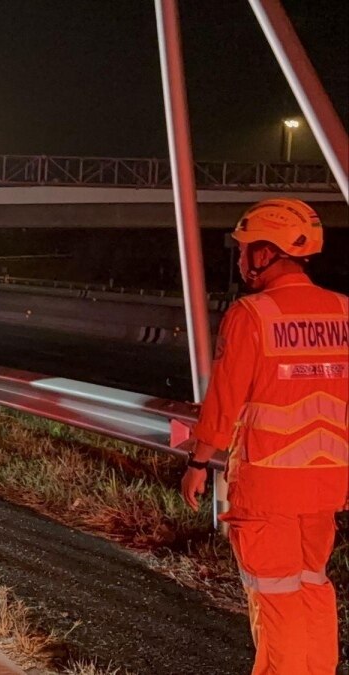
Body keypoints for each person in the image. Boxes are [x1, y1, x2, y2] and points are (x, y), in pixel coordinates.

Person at [180, 198, 347, 675]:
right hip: (327, 484)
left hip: (269, 482)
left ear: (266, 253)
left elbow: (225, 400)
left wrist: (198, 462)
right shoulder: (343, 310)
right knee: (313, 586)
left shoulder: (252, 314)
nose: (240, 259)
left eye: (245, 249)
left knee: (275, 599)